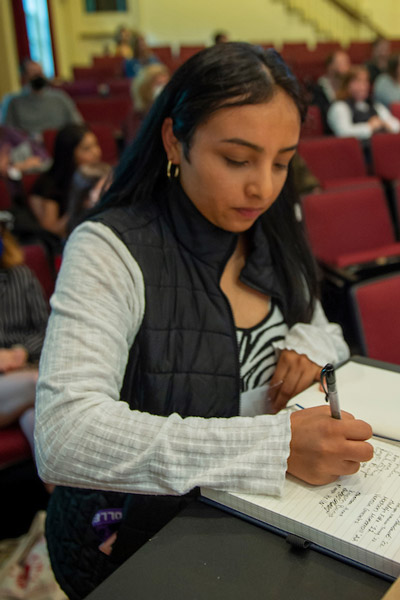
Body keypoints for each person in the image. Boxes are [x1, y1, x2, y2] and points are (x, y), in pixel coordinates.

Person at [35, 43, 373, 600]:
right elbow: (65, 433)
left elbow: (324, 327)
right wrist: (272, 447)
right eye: (237, 160)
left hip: (258, 521)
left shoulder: (272, 224)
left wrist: (308, 340)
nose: (262, 186)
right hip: (137, 540)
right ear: (175, 140)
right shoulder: (110, 249)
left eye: (282, 161)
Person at [0, 211, 48, 435]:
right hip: (23, 380)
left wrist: (20, 352)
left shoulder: (22, 276)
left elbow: (46, 330)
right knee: (40, 383)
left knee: (35, 419)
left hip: (26, 365)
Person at [28, 124, 103, 244]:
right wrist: (79, 204)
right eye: (86, 149)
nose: (96, 152)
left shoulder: (102, 176)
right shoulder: (51, 185)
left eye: (96, 145)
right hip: (69, 244)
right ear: (69, 154)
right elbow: (51, 231)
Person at [3, 59, 82, 139]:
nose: (39, 77)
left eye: (40, 73)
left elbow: (77, 124)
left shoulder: (60, 98)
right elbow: (6, 132)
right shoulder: (13, 102)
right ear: (24, 77)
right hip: (28, 146)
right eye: (34, 74)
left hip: (59, 143)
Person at [327, 65, 400, 141]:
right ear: (347, 85)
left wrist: (383, 124)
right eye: (358, 81)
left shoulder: (374, 105)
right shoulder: (340, 107)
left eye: (365, 81)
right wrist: (369, 127)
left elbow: (396, 125)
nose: (363, 86)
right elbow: (343, 133)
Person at [123, 63, 171, 145]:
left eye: (166, 84)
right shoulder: (135, 117)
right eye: (159, 84)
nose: (164, 88)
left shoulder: (172, 111)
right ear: (145, 88)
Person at [311, 50, 351, 133]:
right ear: (330, 66)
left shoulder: (351, 87)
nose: (346, 67)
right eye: (340, 63)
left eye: (347, 63)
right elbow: (322, 116)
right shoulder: (320, 89)